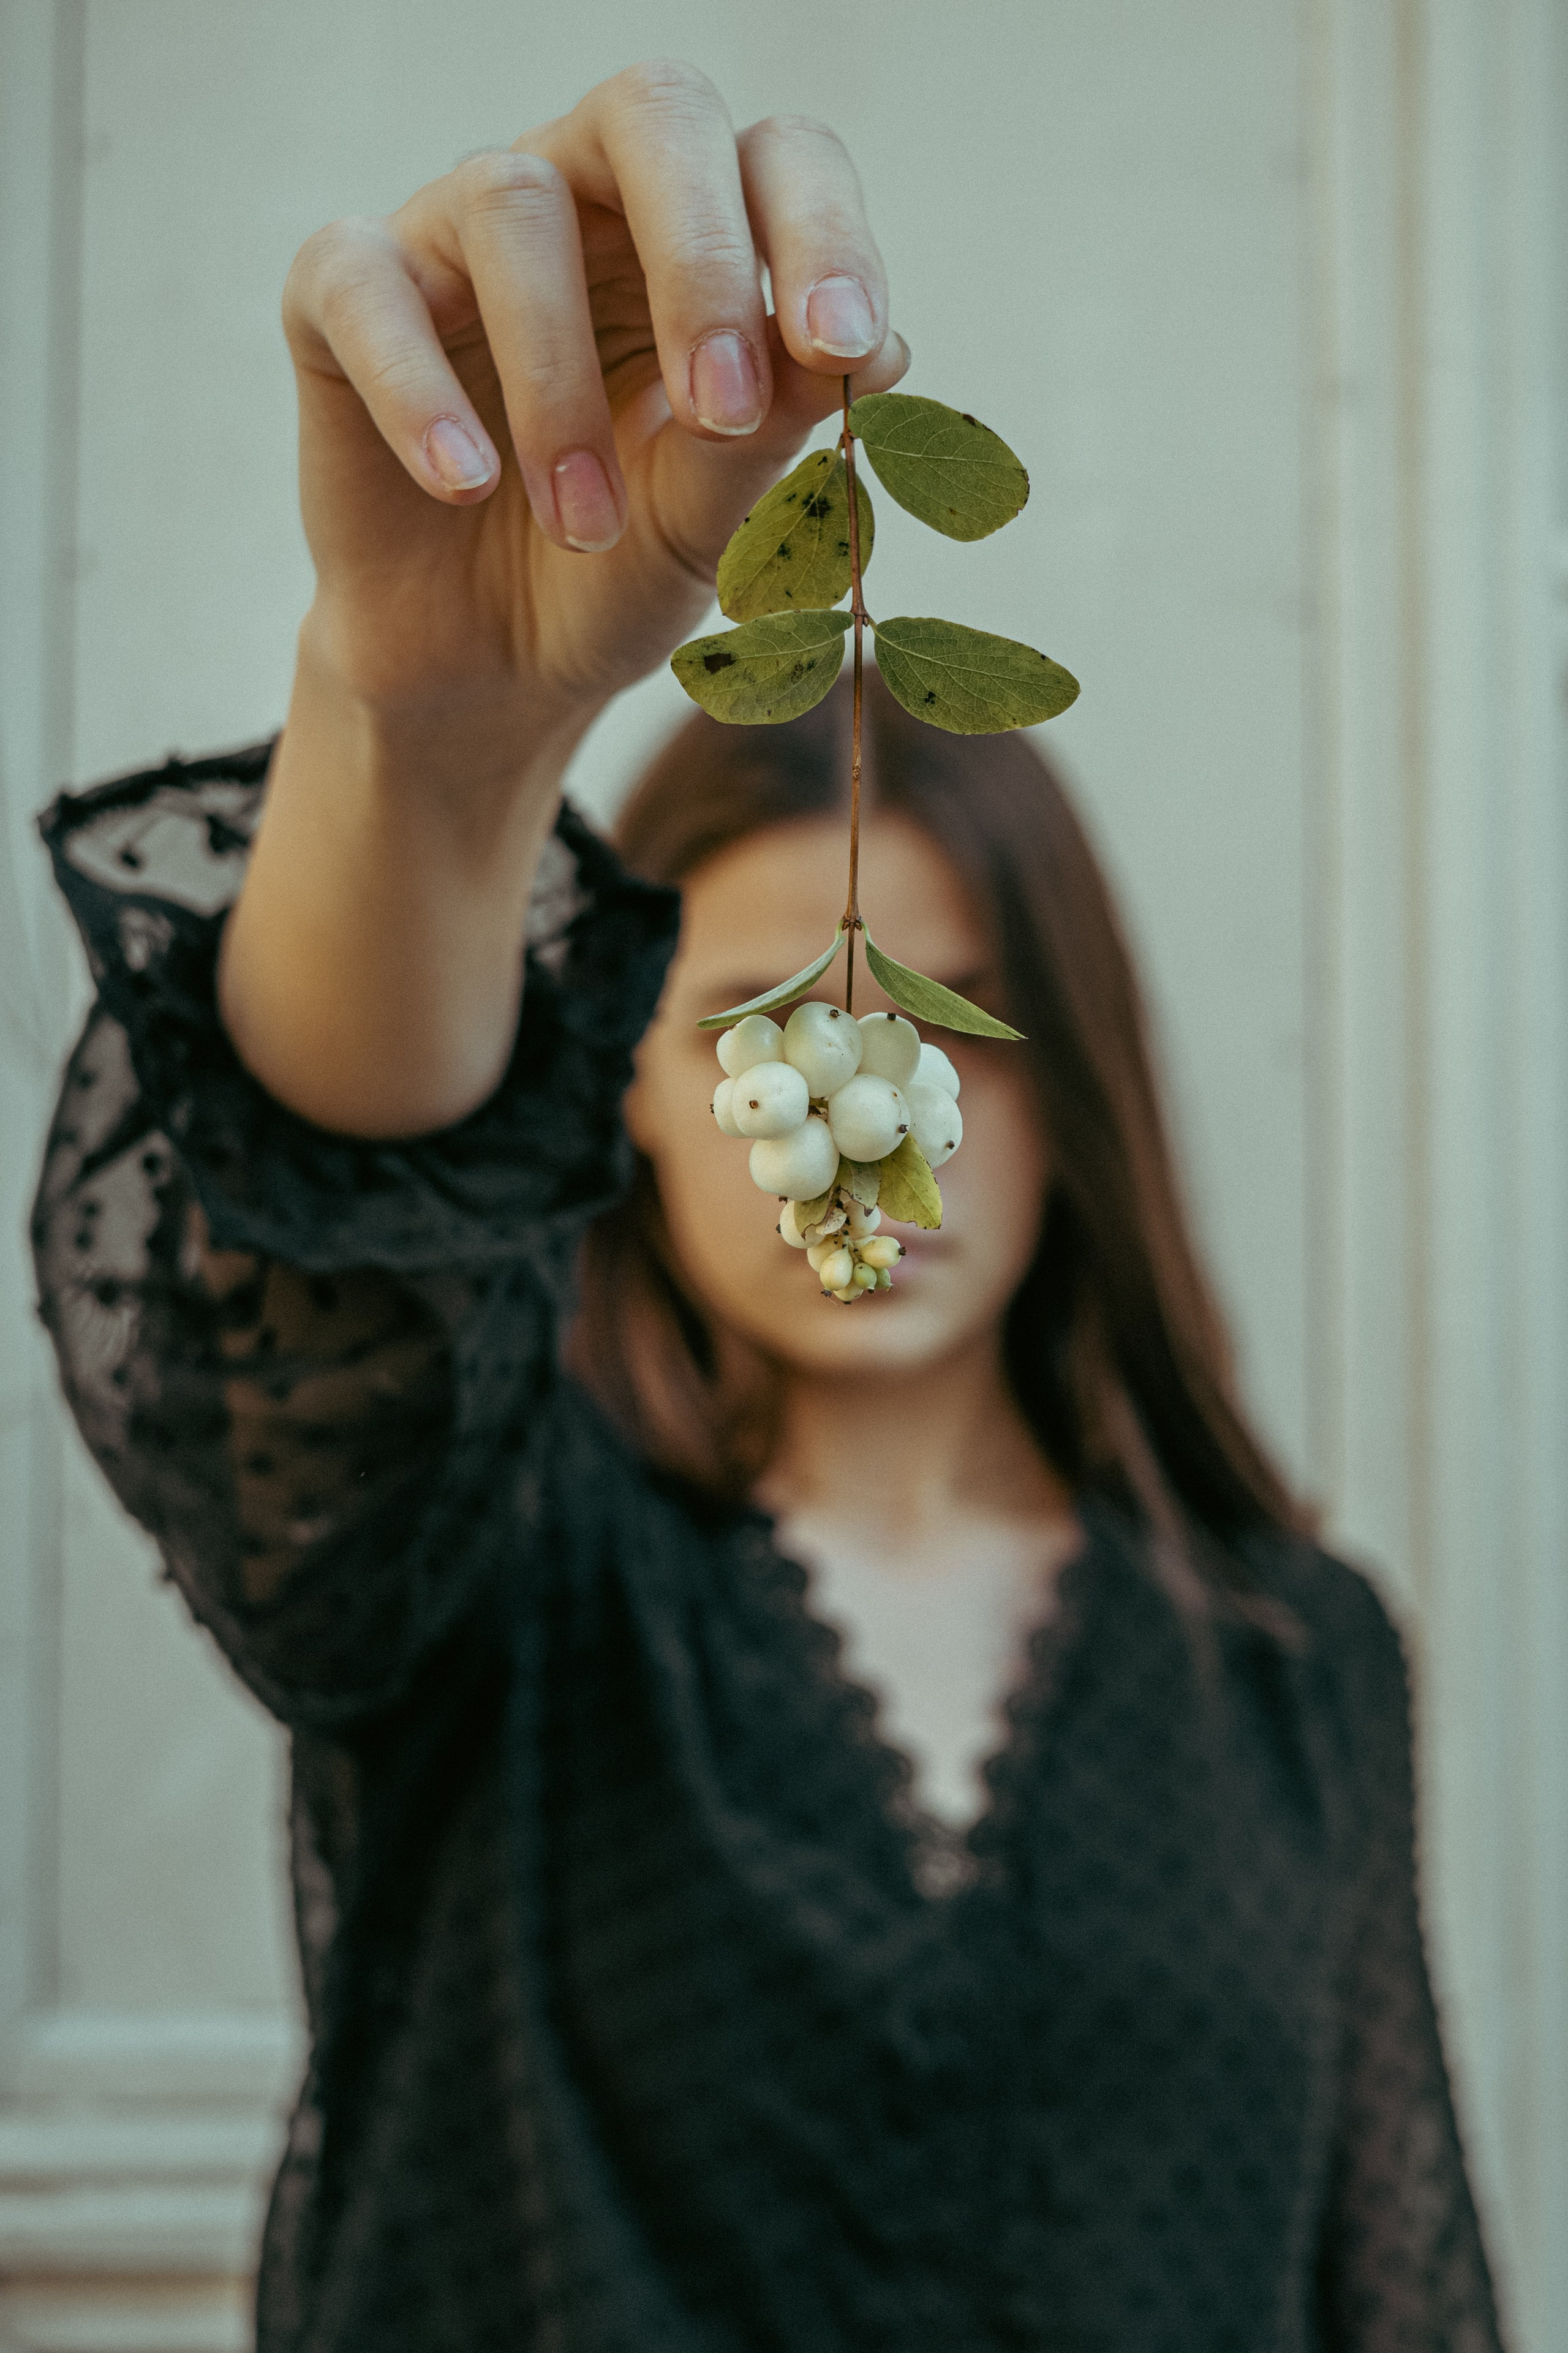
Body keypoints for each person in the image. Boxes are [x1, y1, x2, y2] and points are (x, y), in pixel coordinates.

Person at [31, 61, 1503, 2353]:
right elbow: (338, 1244)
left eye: (954, 1018)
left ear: (1076, 1076)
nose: (870, 1107)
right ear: (611, 1091)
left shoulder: (1301, 1664)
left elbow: (1402, 2299)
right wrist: (425, 742)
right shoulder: (488, 1566)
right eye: (765, 1030)